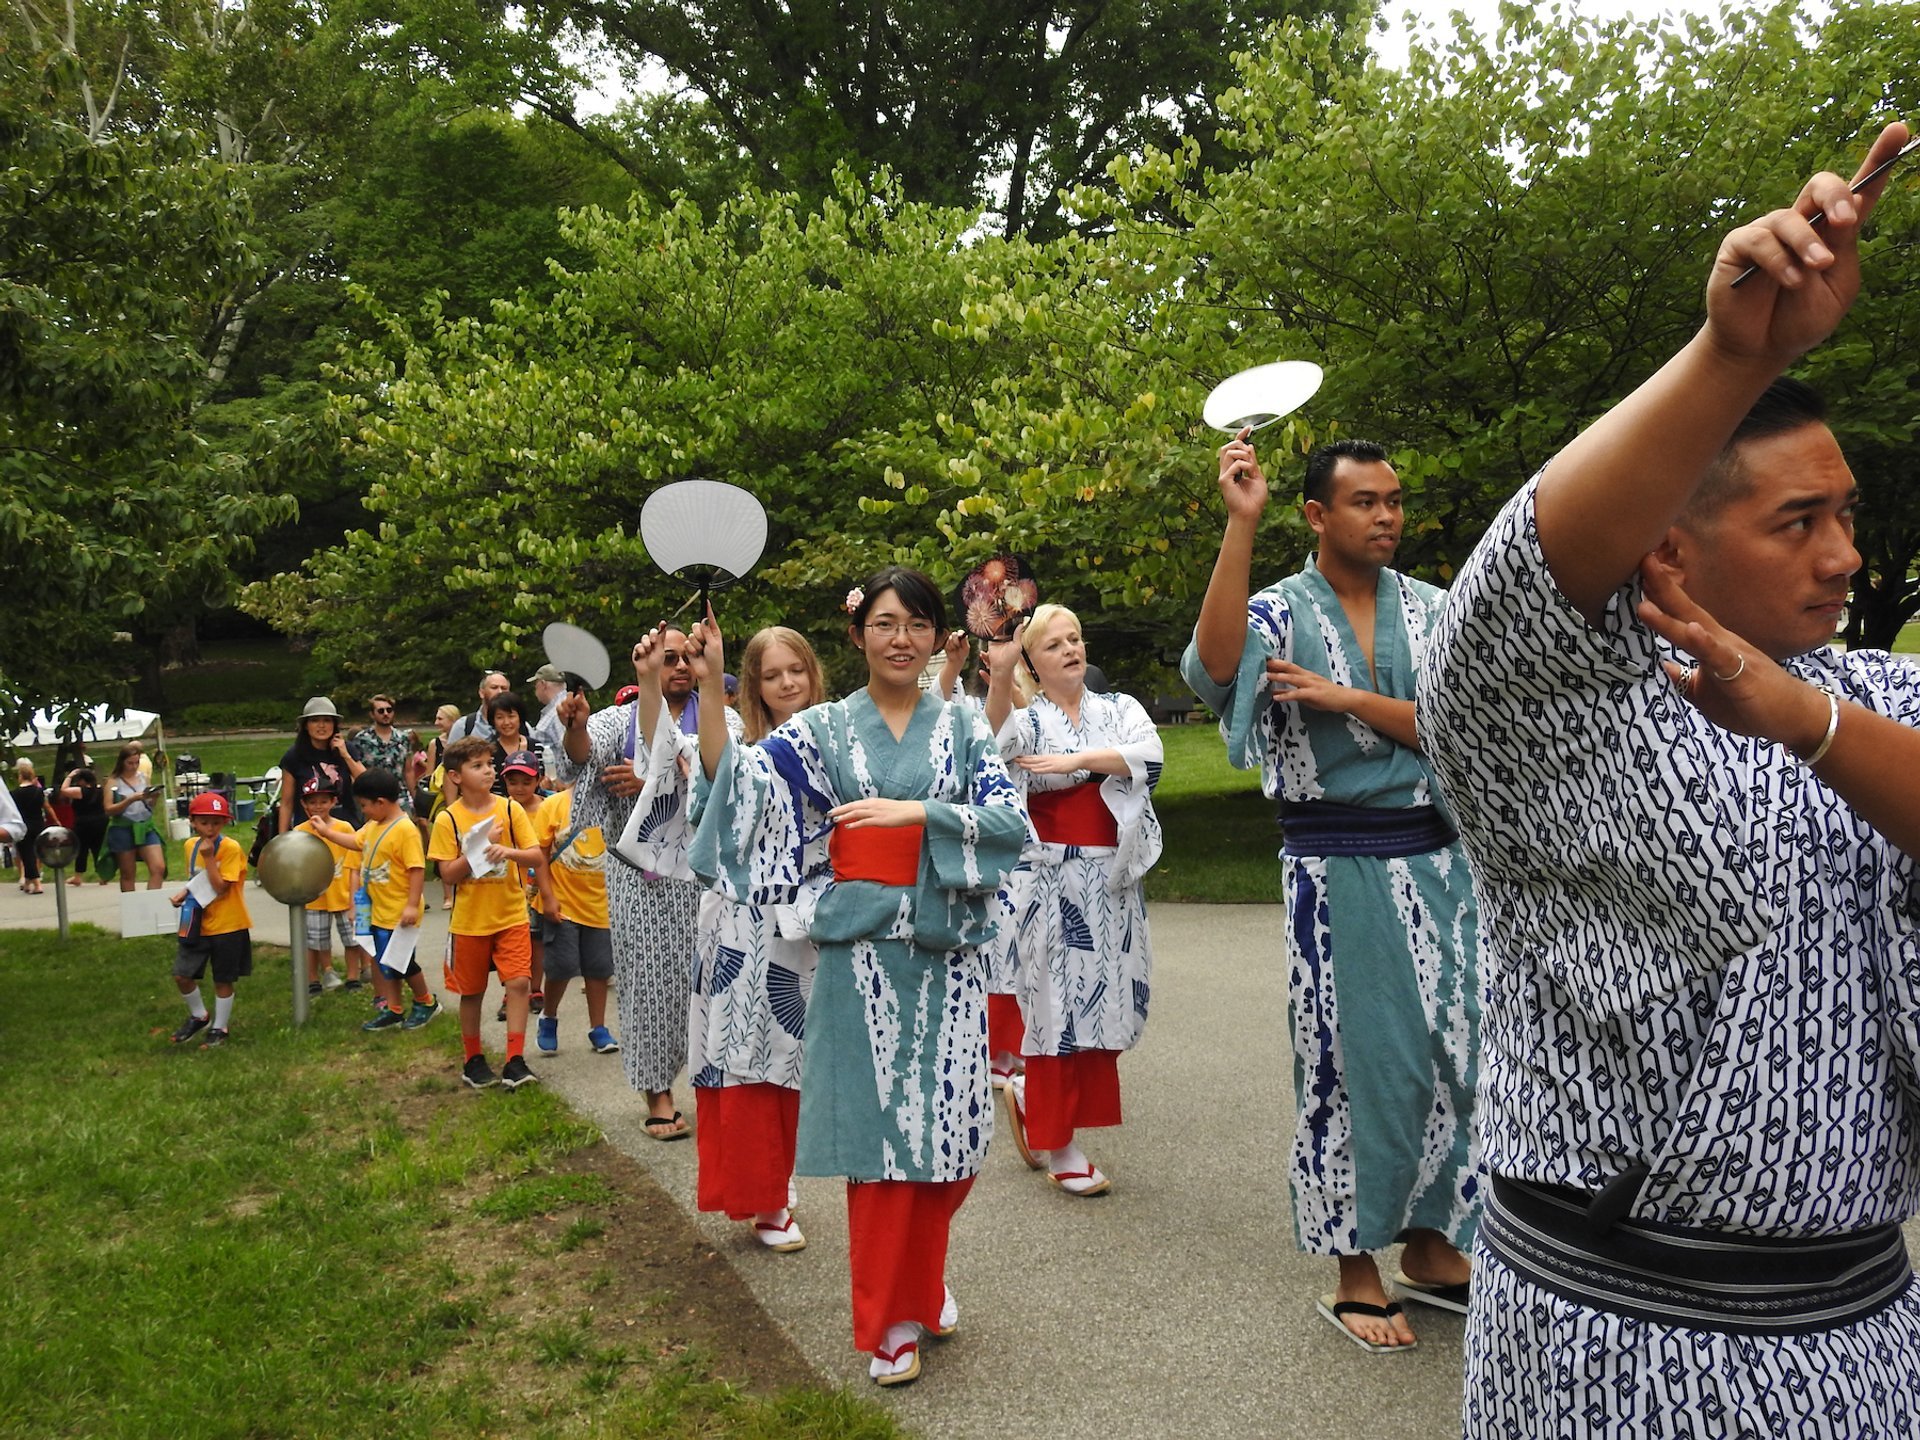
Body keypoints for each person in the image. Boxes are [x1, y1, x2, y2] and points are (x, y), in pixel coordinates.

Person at [1419, 122, 1920, 1434]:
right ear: (1674, 557)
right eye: (1797, 522)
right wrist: (1734, 352)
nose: (1844, 556)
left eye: (1849, 515)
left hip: (1860, 1324)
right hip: (1614, 1339)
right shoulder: (1560, 724)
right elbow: (1517, 584)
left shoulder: (1872, 702)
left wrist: (1805, 722)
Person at [1183, 434, 1484, 1352]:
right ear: (1317, 514)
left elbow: (1461, 728)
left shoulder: (1435, 610)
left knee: (1457, 1058)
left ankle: (1432, 1243)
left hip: (1440, 868)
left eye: (1394, 500)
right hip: (1333, 868)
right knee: (1351, 1062)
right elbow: (1218, 672)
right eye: (1365, 502)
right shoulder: (1276, 611)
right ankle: (1356, 1263)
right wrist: (1242, 526)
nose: (1387, 516)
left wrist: (1349, 702)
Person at [690, 567, 1026, 1386]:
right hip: (860, 958)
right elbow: (738, 788)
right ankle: (889, 1323)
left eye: (915, 623)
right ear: (857, 635)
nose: (901, 638)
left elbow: (1008, 821)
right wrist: (709, 686)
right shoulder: (822, 731)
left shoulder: (963, 729)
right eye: (883, 623)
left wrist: (917, 814)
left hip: (944, 952)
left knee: (951, 1141)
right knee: (883, 1149)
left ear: (934, 633)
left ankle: (921, 1277)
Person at [636, 621, 826, 1253]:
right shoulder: (739, 736)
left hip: (817, 923)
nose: (786, 683)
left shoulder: (838, 737)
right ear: (753, 684)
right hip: (745, 923)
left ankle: (779, 1179)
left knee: (800, 1063)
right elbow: (715, 767)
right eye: (770, 675)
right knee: (748, 1060)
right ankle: (764, 1199)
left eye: (794, 670)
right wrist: (708, 677)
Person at [989, 604, 1163, 1198]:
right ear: (1033, 662)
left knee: (1108, 1005)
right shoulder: (1028, 716)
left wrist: (1077, 761)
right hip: (1051, 879)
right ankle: (1059, 1141)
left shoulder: (1118, 709)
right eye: (1054, 644)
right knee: (1056, 1010)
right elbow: (997, 746)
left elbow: (1149, 754)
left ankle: (1031, 1098)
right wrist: (996, 678)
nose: (1070, 649)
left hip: (1109, 880)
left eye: (1076, 637)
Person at [559, 625, 738, 1138]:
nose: (680, 666)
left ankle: (717, 1084)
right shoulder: (618, 718)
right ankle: (657, 1092)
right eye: (669, 658)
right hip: (638, 874)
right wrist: (574, 726)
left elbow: (724, 772)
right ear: (648, 662)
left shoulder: (720, 716)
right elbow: (581, 757)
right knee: (647, 982)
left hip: (703, 873)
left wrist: (651, 783)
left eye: (688, 658)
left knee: (709, 980)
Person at [427, 736, 556, 1090]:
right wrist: (480, 852)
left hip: (511, 914)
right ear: (455, 776)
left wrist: (506, 851)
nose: (488, 771)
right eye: (477, 766)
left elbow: (534, 856)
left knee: (518, 983)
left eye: (489, 764)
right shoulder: (447, 820)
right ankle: (473, 1059)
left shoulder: (510, 809)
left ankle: (515, 1059)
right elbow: (447, 874)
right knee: (472, 991)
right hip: (470, 921)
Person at [331, 768, 441, 1032]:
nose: (364, 811)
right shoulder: (373, 826)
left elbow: (416, 869)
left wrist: (412, 905)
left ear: (381, 802)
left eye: (365, 805)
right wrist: (326, 831)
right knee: (384, 961)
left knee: (401, 962)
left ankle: (426, 1002)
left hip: (400, 912)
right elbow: (355, 842)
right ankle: (394, 1008)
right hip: (379, 911)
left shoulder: (405, 830)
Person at [530, 776, 619, 1057]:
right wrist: (547, 897)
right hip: (563, 903)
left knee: (599, 968)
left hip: (602, 906)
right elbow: (539, 856)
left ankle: (599, 1027)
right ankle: (549, 1016)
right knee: (561, 965)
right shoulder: (554, 805)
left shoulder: (615, 803)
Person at [167, 790, 251, 1049]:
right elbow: (198, 879)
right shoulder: (190, 846)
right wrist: (185, 891)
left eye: (216, 822)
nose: (210, 828)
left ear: (225, 822)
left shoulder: (230, 848)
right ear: (192, 821)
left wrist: (209, 858)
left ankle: (220, 1026)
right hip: (196, 919)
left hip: (228, 923)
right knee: (182, 974)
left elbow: (220, 887)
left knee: (222, 978)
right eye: (204, 822)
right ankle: (199, 1015)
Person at [294, 777, 369, 993]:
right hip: (315, 896)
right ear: (304, 804)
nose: (318, 806)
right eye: (312, 802)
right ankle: (314, 979)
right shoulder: (300, 831)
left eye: (323, 801)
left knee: (352, 939)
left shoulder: (344, 827)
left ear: (333, 802)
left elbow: (355, 856)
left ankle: (353, 976)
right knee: (315, 941)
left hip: (343, 891)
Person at [498, 750, 548, 1017]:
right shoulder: (500, 809)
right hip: (509, 887)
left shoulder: (545, 808)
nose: (519, 788)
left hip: (538, 885)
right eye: (512, 781)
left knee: (536, 940)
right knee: (512, 942)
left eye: (526, 782)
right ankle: (511, 992)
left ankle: (535, 988)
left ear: (538, 779)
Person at [276, 697, 364, 837]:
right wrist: (282, 838)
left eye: (327, 720)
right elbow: (286, 803)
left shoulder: (347, 749)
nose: (321, 725)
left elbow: (367, 782)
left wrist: (346, 755)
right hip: (309, 832)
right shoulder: (294, 756)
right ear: (305, 725)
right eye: (315, 720)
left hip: (345, 829)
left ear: (334, 725)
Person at [104, 743, 167, 892]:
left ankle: (151, 904)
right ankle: (131, 908)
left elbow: (149, 805)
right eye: (130, 763)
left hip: (144, 825)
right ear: (122, 762)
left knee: (158, 867)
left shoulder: (143, 778)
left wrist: (153, 798)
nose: (133, 766)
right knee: (128, 873)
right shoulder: (113, 781)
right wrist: (129, 800)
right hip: (123, 827)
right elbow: (108, 809)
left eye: (136, 763)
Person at [347, 696, 418, 809]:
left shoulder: (404, 738)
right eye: (381, 711)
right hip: (372, 799)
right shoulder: (361, 740)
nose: (386, 714)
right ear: (372, 714)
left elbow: (408, 771)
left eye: (389, 710)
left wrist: (416, 800)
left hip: (399, 798)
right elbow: (354, 771)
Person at [486, 695, 544, 797]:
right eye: (500, 717)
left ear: (520, 717)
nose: (506, 722)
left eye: (511, 716)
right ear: (493, 720)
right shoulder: (488, 751)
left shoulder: (537, 746)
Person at [59, 764, 106, 885]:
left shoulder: (82, 791)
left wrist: (69, 777)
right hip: (101, 822)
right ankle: (103, 875)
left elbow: (64, 790)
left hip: (83, 824)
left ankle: (78, 876)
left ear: (82, 780)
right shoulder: (100, 790)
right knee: (98, 849)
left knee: (82, 850)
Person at [11, 758, 47, 894]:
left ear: (20, 776)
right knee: (36, 852)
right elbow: (46, 807)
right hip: (38, 824)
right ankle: (27, 882)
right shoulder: (39, 792)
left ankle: (37, 884)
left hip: (23, 826)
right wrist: (55, 820)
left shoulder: (14, 794)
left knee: (27, 855)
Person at [446, 671, 510, 744]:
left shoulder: (521, 726)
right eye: (494, 687)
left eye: (504, 688)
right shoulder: (463, 726)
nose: (500, 692)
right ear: (481, 693)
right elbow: (451, 754)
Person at [527, 663, 568, 764]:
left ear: (543, 684)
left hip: (560, 778)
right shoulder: (564, 706)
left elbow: (568, 753)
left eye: (535, 685)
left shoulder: (559, 712)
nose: (535, 689)